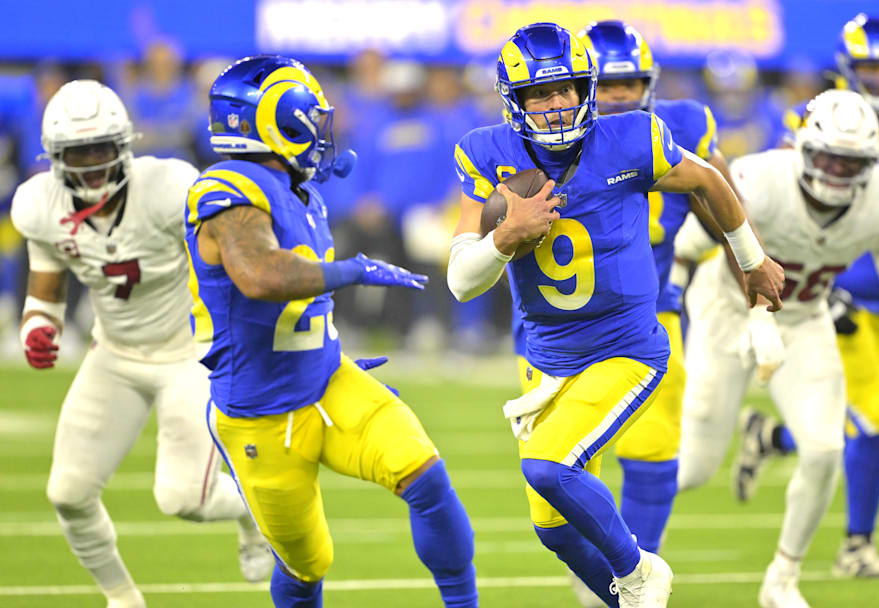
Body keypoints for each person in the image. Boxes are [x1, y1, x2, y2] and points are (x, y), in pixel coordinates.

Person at [447, 23, 784, 607]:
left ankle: (640, 572)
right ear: (513, 102)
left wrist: (752, 261)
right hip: (548, 358)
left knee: (551, 467)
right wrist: (504, 238)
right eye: (539, 95)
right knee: (550, 524)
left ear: (587, 89)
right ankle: (623, 594)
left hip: (625, 348)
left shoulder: (633, 138)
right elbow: (459, 281)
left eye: (567, 90)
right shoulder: (487, 155)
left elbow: (707, 180)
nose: (556, 106)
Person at [186, 55, 478, 608]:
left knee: (428, 480)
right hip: (261, 415)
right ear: (275, 119)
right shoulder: (225, 188)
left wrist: (324, 347)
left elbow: (300, 299)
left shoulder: (301, 191)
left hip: (327, 381)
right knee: (306, 567)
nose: (321, 127)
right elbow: (258, 275)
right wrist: (351, 270)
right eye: (310, 114)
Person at [13, 79, 274, 608]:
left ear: (124, 146)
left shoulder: (170, 186)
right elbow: (46, 283)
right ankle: (123, 599)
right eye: (77, 152)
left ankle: (253, 513)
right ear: (55, 157)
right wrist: (38, 324)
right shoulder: (38, 203)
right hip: (113, 353)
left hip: (190, 353)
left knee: (185, 497)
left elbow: (230, 258)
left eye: (100, 149)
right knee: (67, 493)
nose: (90, 163)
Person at [678, 89, 879, 608]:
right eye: (829, 158)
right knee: (693, 467)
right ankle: (612, 550)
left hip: (803, 317)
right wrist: (735, 313)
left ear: (871, 163)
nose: (837, 172)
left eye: (851, 162)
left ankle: (782, 580)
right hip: (725, 311)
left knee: (824, 449)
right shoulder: (762, 179)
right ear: (803, 148)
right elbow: (703, 243)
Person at [732, 14, 879, 578]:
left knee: (862, 417)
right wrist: (802, 292)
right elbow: (774, 213)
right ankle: (857, 546)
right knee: (877, 418)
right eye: (870, 66)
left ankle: (772, 437)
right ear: (847, 71)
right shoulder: (810, 121)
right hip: (827, 289)